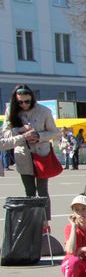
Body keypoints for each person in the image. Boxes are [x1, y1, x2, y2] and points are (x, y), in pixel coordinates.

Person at [0, 84, 59, 226]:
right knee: (29, 191)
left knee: (43, 190)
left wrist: (38, 136)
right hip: (23, 156)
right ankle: (33, 220)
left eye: (27, 101)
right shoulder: (11, 111)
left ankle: (45, 222)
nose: (24, 105)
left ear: (32, 99)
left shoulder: (44, 111)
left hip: (41, 155)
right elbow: (5, 134)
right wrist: (20, 130)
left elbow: (55, 133)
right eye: (20, 102)